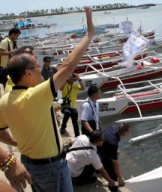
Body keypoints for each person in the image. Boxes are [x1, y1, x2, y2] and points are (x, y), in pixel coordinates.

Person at [0, 6, 95, 191]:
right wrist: (89, 34)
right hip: (51, 167)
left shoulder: (4, 100)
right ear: (27, 73)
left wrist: (16, 143)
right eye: (36, 67)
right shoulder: (35, 95)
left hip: (30, 163)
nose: (40, 70)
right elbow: (67, 66)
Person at [98, 123, 131, 192]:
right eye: (129, 132)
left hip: (100, 145)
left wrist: (114, 150)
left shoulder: (114, 127)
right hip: (101, 153)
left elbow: (107, 137)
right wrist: (120, 178)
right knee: (112, 172)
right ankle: (113, 189)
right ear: (124, 132)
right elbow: (115, 162)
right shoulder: (113, 143)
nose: (129, 133)